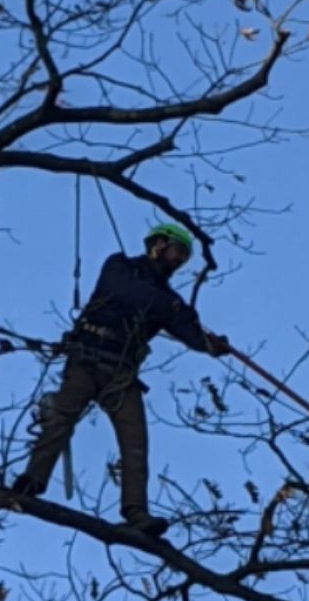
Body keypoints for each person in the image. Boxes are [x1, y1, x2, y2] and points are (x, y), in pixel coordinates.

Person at [13, 221, 231, 537]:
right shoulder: (120, 267)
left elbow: (188, 331)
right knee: (61, 418)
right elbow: (129, 293)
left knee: (135, 443)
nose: (178, 261)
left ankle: (136, 513)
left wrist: (211, 345)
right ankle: (32, 480)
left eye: (184, 257)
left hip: (121, 374)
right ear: (157, 245)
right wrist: (174, 309)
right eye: (177, 252)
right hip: (87, 360)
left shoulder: (169, 300)